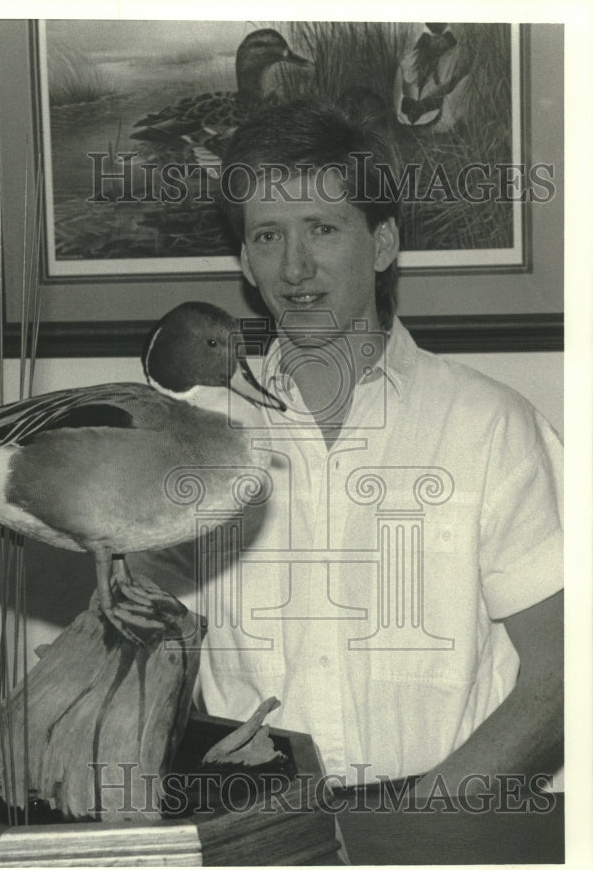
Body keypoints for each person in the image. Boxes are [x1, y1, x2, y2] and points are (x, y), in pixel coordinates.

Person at [136, 98, 564, 801]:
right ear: (245, 260)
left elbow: (566, 670)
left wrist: (425, 822)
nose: (296, 267)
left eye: (324, 229)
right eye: (269, 236)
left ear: (384, 244)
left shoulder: (490, 427)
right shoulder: (193, 440)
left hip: (448, 824)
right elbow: (140, 653)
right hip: (252, 833)